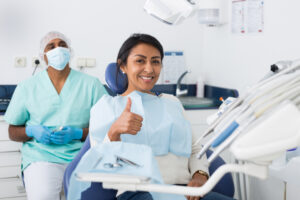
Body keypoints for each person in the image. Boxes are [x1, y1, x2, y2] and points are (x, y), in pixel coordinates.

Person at [68, 33, 235, 200]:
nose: (149, 69)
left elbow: (195, 148)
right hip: (137, 193)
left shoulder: (172, 103)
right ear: (122, 66)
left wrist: (200, 175)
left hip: (186, 192)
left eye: (155, 61)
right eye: (140, 61)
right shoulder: (106, 107)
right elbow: (97, 164)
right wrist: (114, 133)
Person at [4, 31, 108, 200]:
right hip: (41, 157)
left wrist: (79, 134)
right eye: (51, 46)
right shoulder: (27, 87)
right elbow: (13, 131)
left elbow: (108, 128)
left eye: (62, 45)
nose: (57, 49)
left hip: (82, 155)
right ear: (43, 55)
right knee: (42, 195)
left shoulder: (91, 85)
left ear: (70, 51)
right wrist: (31, 131)